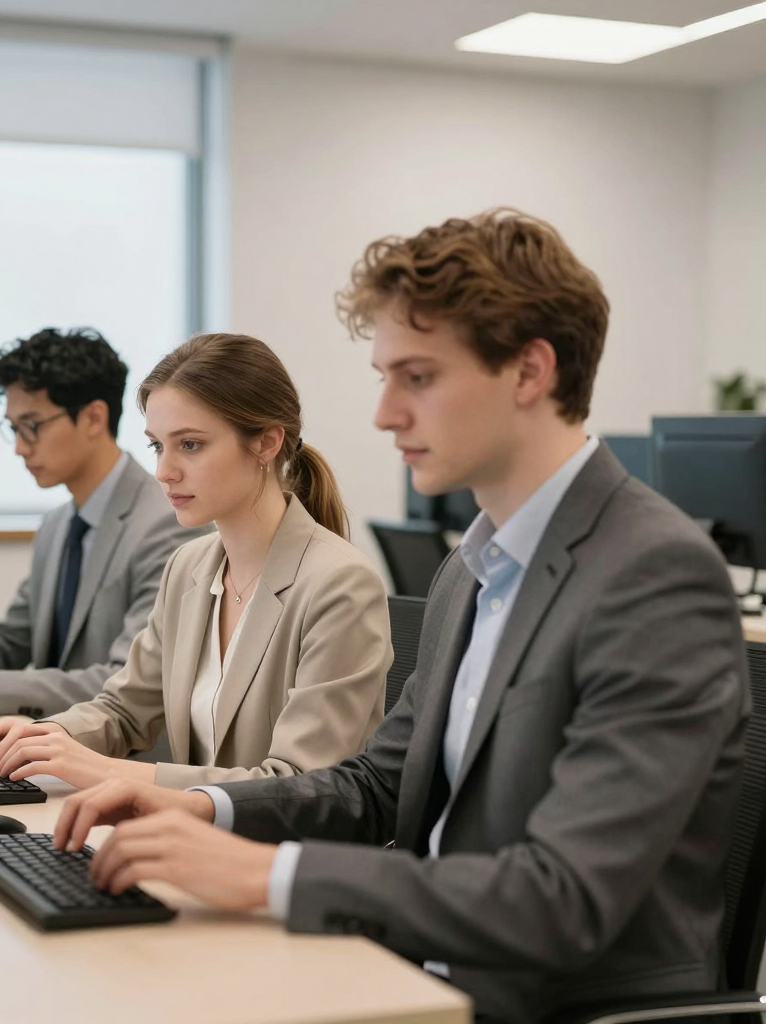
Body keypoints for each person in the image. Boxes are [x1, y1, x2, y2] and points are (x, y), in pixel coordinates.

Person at [46, 211, 749, 1024]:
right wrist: (198, 809)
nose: (383, 414)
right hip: (418, 970)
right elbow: (374, 786)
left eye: (416, 378)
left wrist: (270, 878)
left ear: (529, 371)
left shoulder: (653, 575)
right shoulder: (471, 568)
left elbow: (563, 897)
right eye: (385, 378)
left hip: (549, 1001)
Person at [0, 333, 390, 789]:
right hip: (192, 840)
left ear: (266, 443)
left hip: (276, 855)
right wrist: (47, 735)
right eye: (157, 446)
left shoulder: (339, 584)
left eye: (189, 445)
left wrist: (109, 771)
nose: (164, 471)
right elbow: (124, 709)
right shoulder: (189, 567)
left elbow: (300, 784)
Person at [0, 326, 201, 719]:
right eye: (13, 428)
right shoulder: (57, 525)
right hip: (54, 747)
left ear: (94, 418)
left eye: (32, 425)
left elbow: (129, 679)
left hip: (126, 760)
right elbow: (10, 641)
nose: (19, 447)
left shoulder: (168, 522)